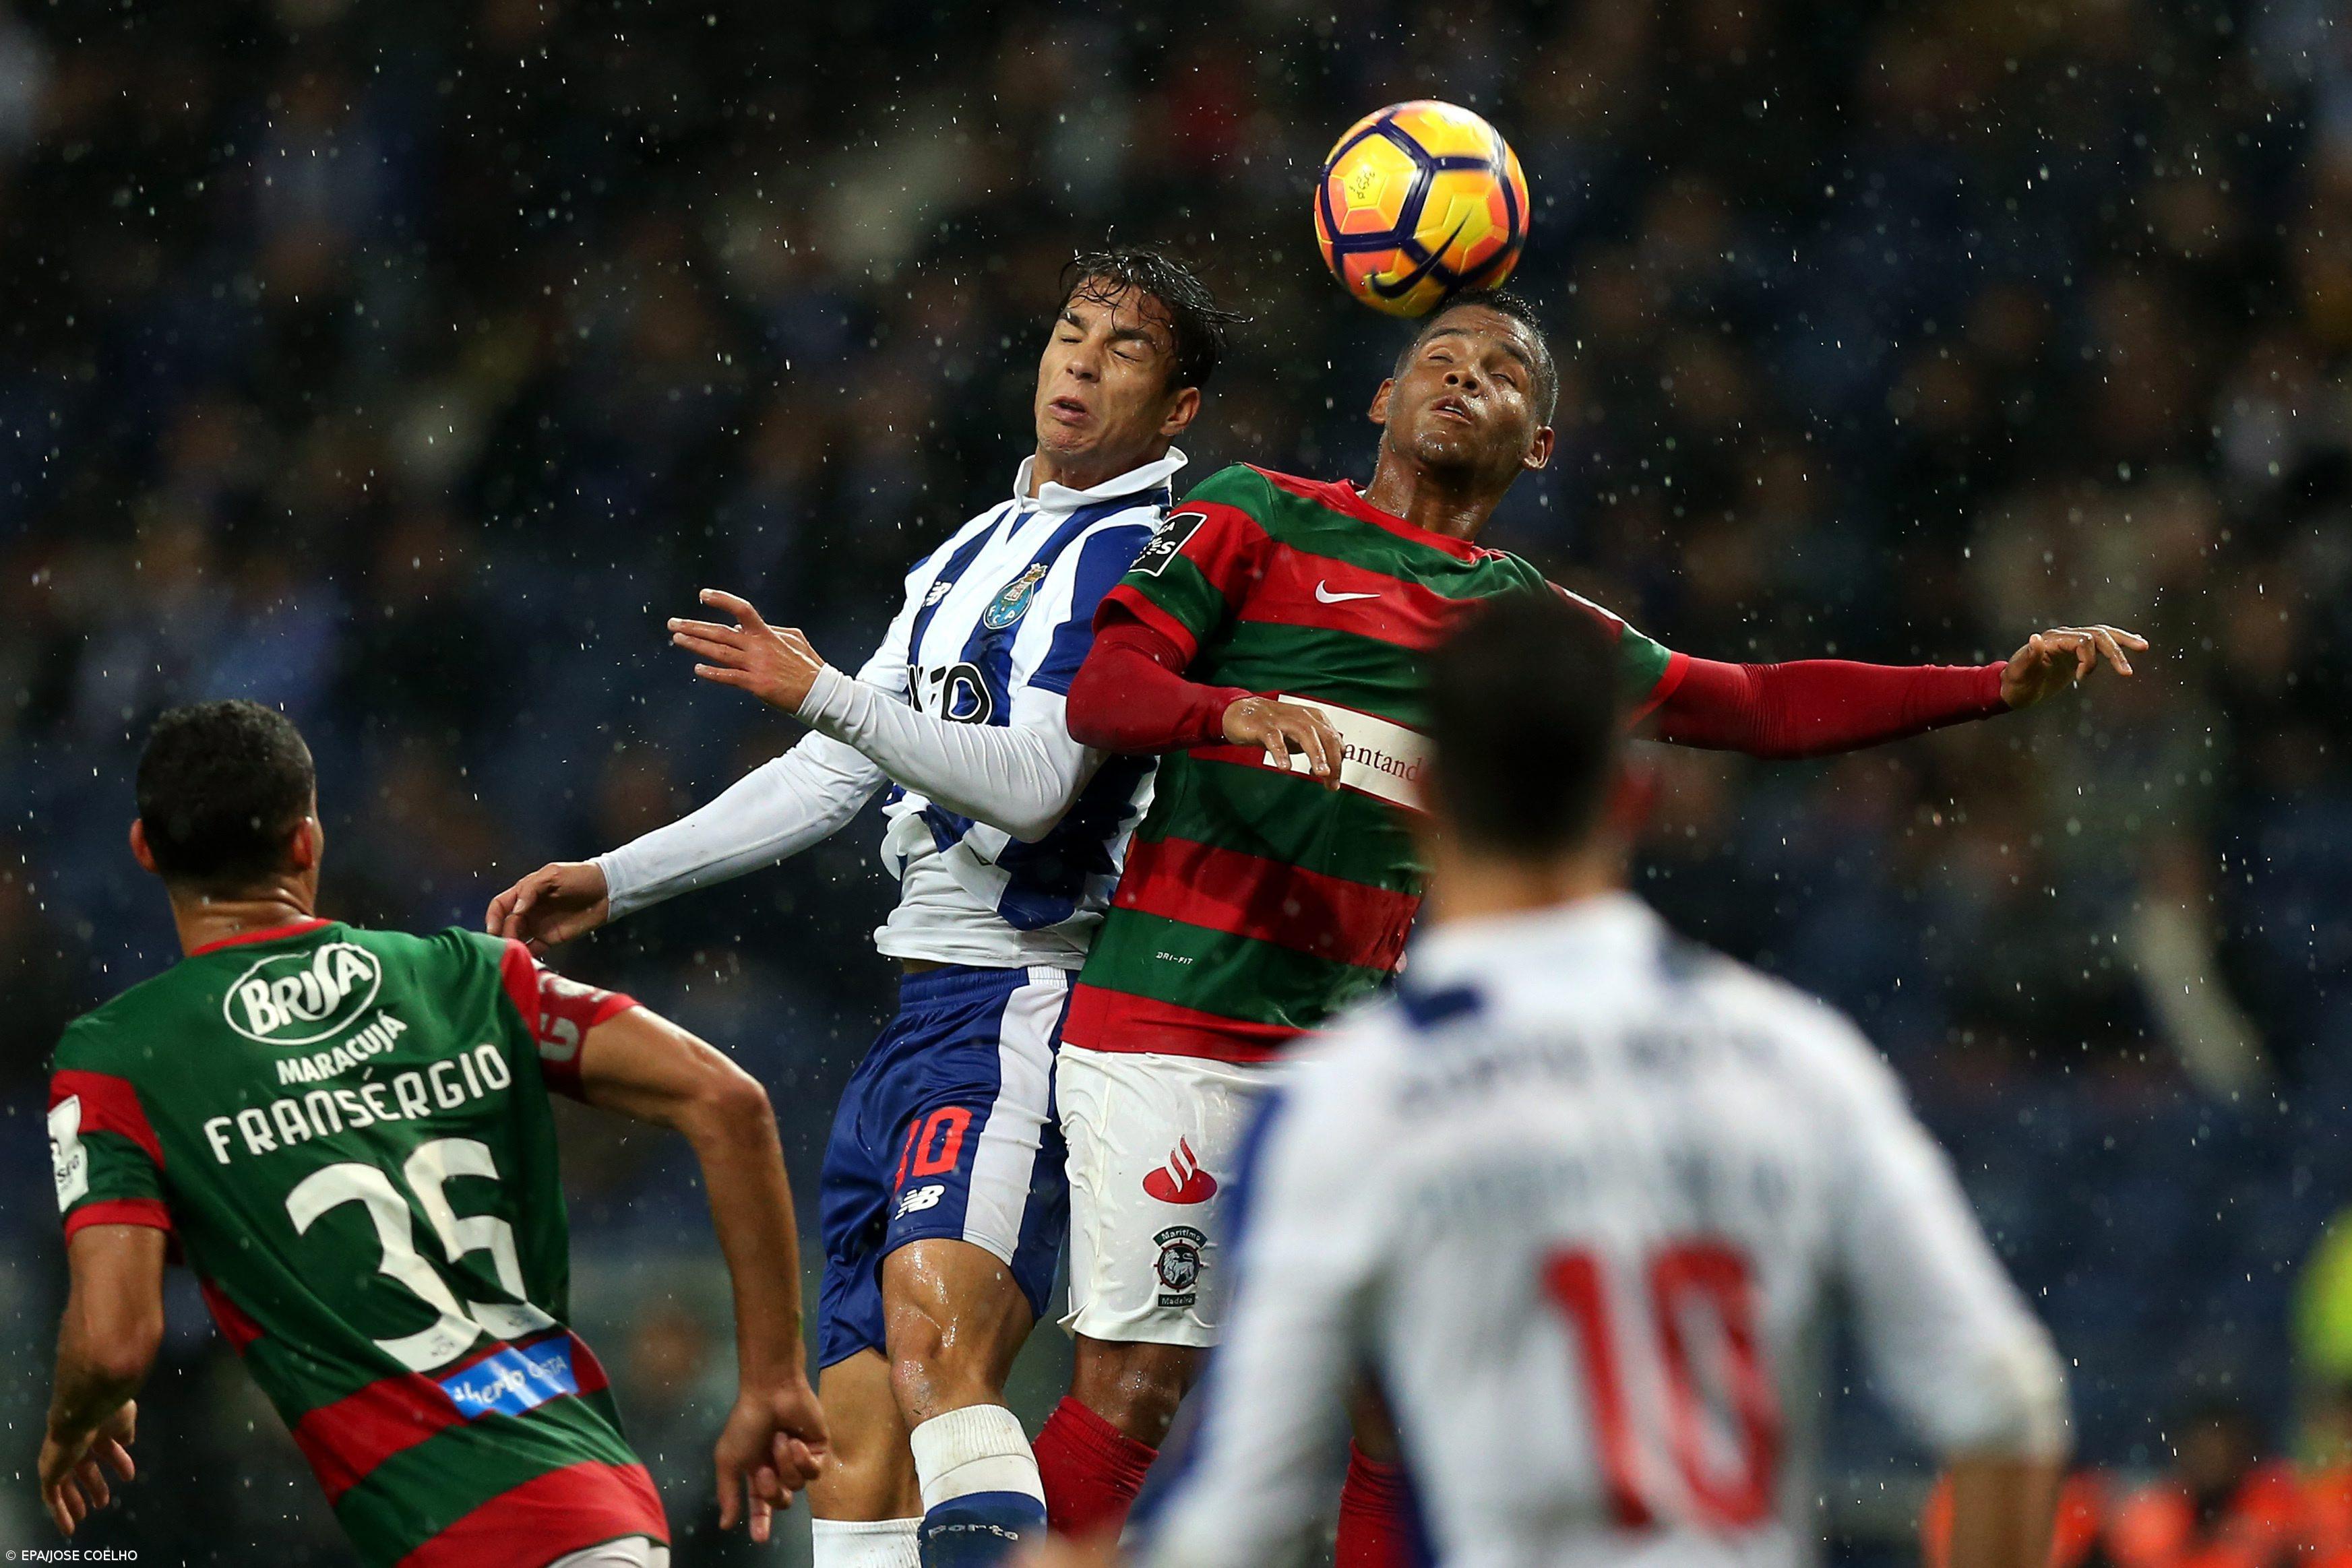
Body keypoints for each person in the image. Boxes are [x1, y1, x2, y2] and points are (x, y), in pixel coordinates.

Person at [1036, 286, 2144, 1551]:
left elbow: (1752, 705)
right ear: (1379, 399)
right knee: (1138, 1391)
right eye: (1434, 361)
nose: (1461, 380)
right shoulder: (1255, 512)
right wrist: (1220, 714)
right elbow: (1105, 691)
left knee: (1396, 1413)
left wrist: (1989, 685)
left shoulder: (1531, 635)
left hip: (1353, 1043)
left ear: (1541, 441)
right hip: (1171, 1016)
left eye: (1499, 373)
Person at [486, 248, 1239, 1568]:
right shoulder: (987, 544)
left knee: (938, 1349)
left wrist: (823, 685)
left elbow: (1034, 787)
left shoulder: (1147, 554)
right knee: (852, 1450)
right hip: (920, 1018)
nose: (1078, 360)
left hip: (1027, 1004)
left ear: (1177, 410)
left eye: (1124, 350)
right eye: (1070, 330)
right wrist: (619, 879)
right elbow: (836, 769)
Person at [1130, 592, 2074, 1568]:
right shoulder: (1795, 1059)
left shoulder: (1345, 1106)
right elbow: (2005, 1399)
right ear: (1629, 797)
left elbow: (1245, 1518)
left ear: (1430, 799)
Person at [38, 699, 826, 1567]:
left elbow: (114, 1342)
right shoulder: (470, 978)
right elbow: (731, 1102)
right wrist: (776, 1381)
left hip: (477, 1539)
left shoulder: (120, 1058)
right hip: (589, 1501)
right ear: (308, 842)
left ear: (145, 850)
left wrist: (79, 1414)